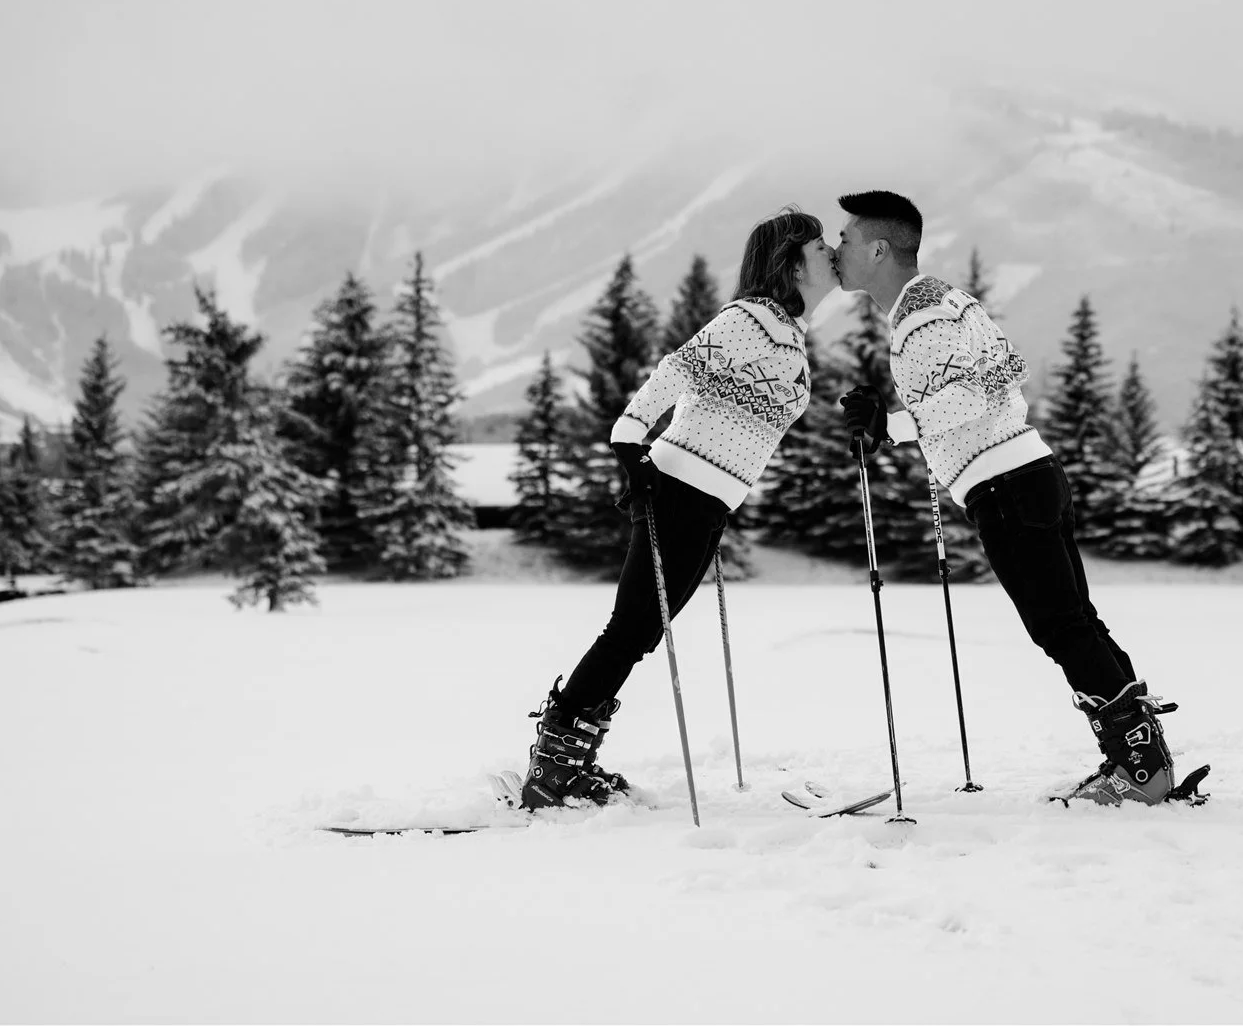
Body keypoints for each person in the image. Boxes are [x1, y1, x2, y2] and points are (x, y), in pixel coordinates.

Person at [830, 190, 1188, 806]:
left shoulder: (922, 316)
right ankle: (1140, 761)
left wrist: (889, 424)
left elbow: (973, 397)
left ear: (879, 248)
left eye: (846, 240)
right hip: (1028, 474)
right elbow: (1002, 377)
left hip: (1007, 487)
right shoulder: (946, 301)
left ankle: (1140, 772)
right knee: (1076, 624)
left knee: (1063, 629)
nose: (837, 250)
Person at [499, 208, 841, 811]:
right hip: (680, 490)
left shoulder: (787, 330)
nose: (831, 252)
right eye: (819, 246)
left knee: (638, 632)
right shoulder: (751, 319)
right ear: (789, 261)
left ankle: (566, 759)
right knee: (630, 631)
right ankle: (555, 767)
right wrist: (629, 441)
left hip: (708, 501)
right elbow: (677, 368)